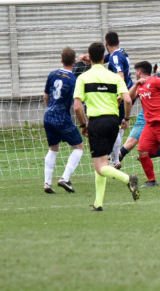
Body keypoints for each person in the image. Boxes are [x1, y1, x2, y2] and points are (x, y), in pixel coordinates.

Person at [73, 42, 139, 211]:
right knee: (101, 161)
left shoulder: (83, 78)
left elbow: (77, 107)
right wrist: (125, 118)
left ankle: (128, 179)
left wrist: (83, 124)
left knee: (100, 166)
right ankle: (98, 203)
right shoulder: (115, 77)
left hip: (97, 122)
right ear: (104, 57)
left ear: (89, 56)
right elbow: (128, 100)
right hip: (113, 122)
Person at [42, 47, 85, 194]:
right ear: (74, 61)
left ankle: (47, 183)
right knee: (79, 147)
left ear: (61, 60)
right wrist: (83, 123)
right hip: (62, 117)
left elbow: (46, 96)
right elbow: (77, 105)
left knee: (53, 148)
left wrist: (50, 110)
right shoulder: (74, 80)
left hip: (48, 115)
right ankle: (65, 178)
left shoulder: (52, 74)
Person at [104, 31, 133, 167]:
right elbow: (109, 57)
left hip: (120, 96)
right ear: (119, 42)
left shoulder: (114, 57)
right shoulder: (122, 52)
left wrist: (118, 96)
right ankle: (114, 158)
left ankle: (115, 160)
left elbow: (120, 75)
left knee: (115, 127)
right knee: (119, 126)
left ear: (106, 43)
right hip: (128, 91)